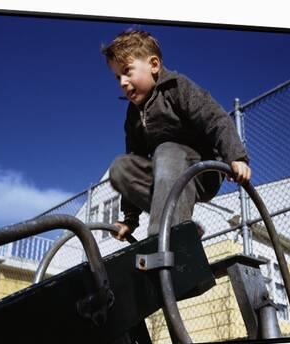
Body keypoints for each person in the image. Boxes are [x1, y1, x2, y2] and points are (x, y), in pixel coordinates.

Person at [101, 29, 252, 241]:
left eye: (128, 71)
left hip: (203, 170)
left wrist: (236, 157)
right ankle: (185, 228)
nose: (123, 82)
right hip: (167, 175)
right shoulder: (133, 115)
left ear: (154, 65)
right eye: (118, 77)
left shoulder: (176, 87)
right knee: (121, 168)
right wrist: (130, 219)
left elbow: (214, 118)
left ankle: (162, 240)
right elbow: (136, 156)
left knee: (167, 150)